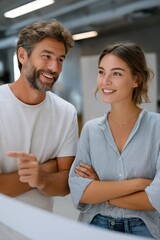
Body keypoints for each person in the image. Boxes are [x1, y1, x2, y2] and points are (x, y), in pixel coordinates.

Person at [69, 41, 160, 239]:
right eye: (102, 72)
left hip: (144, 228)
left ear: (136, 79)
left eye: (116, 73)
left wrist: (103, 192)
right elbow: (80, 192)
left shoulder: (157, 128)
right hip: (95, 224)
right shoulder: (91, 130)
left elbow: (156, 198)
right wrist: (139, 184)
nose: (105, 81)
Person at [0, 19, 78, 239]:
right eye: (46, 56)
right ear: (22, 56)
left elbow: (65, 186)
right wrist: (48, 168)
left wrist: (41, 178)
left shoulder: (66, 112)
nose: (54, 68)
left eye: (60, 59)